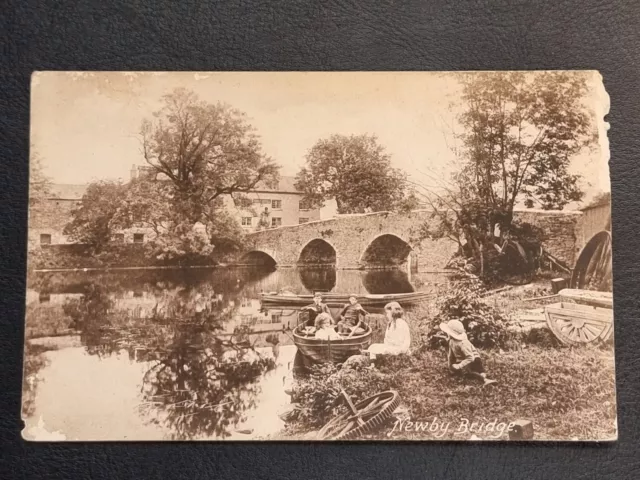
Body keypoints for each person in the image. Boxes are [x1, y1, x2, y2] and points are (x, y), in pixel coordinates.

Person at [439, 319, 497, 386]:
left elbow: (470, 357)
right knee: (462, 371)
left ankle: (485, 379)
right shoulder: (452, 341)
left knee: (470, 372)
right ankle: (482, 375)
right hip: (464, 359)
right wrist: (451, 367)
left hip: (474, 359)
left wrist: (459, 365)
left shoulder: (463, 343)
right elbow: (450, 355)